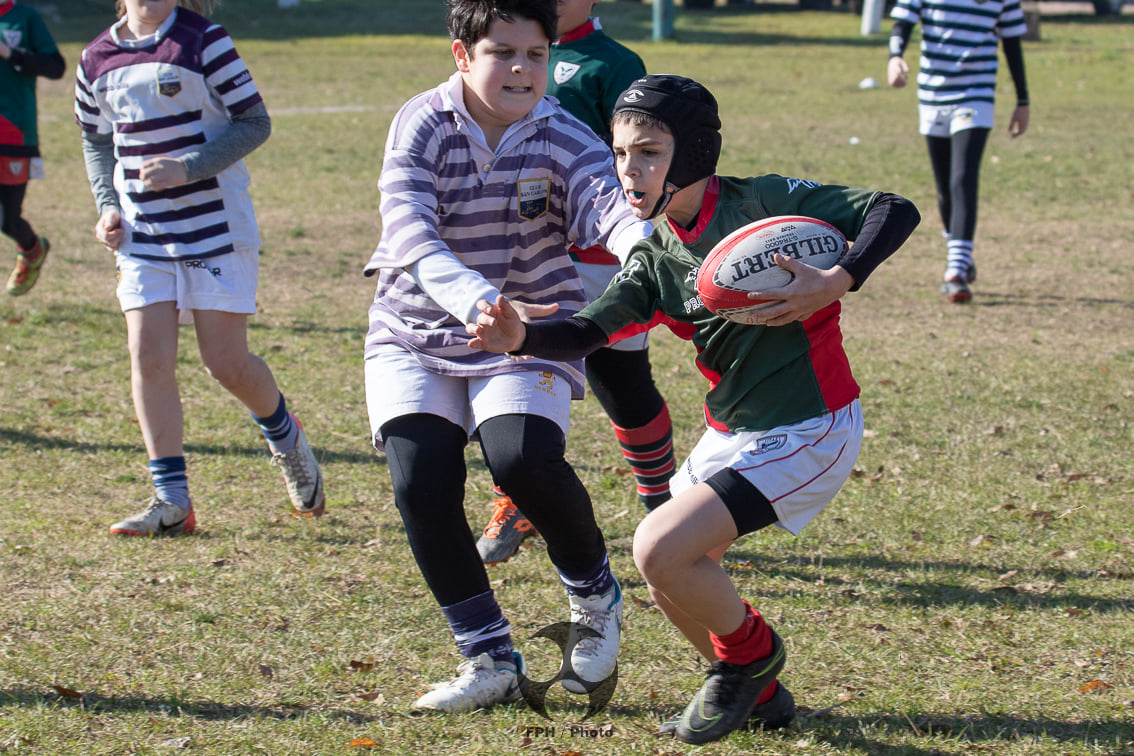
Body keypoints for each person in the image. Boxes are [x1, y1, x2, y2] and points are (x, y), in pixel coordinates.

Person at [468, 75, 921, 743]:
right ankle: (757, 692)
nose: (630, 168)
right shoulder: (655, 254)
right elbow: (588, 329)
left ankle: (750, 657)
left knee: (659, 549)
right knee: (669, 578)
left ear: (695, 151)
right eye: (621, 153)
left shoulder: (761, 203)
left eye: (648, 151)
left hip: (809, 425)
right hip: (730, 433)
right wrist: (522, 338)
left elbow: (894, 207)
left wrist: (840, 275)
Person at [362, 0, 654, 715]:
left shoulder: (560, 131)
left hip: (526, 331)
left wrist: (643, 252)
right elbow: (409, 232)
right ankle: (488, 656)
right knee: (420, 480)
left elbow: (607, 204)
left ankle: (594, 597)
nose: (522, 68)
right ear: (462, 54)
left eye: (534, 53)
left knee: (520, 459)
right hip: (416, 328)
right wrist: (474, 301)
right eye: (502, 53)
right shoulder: (423, 122)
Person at [75, 0, 325, 537]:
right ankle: (172, 502)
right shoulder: (95, 57)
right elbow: (97, 140)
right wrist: (106, 207)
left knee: (226, 364)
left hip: (216, 229)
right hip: (143, 236)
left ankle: (285, 436)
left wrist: (188, 168)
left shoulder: (204, 40)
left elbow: (255, 123)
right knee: (148, 357)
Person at [473, 0, 676, 566]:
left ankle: (663, 502)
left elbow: (642, 154)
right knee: (515, 375)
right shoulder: (506, 51)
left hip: (601, 258)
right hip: (530, 253)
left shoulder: (613, 63)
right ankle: (515, 500)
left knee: (623, 387)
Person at [887, 0, 1029, 304]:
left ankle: (955, 271)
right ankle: (961, 254)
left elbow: (1012, 45)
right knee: (944, 189)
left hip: (976, 96)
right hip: (932, 96)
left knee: (962, 178)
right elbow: (902, 24)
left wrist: (1023, 101)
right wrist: (895, 56)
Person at [1, 0, 65, 296]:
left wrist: (10, 53)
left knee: (6, 218)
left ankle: (32, 251)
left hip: (13, 132)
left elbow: (56, 67)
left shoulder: (24, 17)